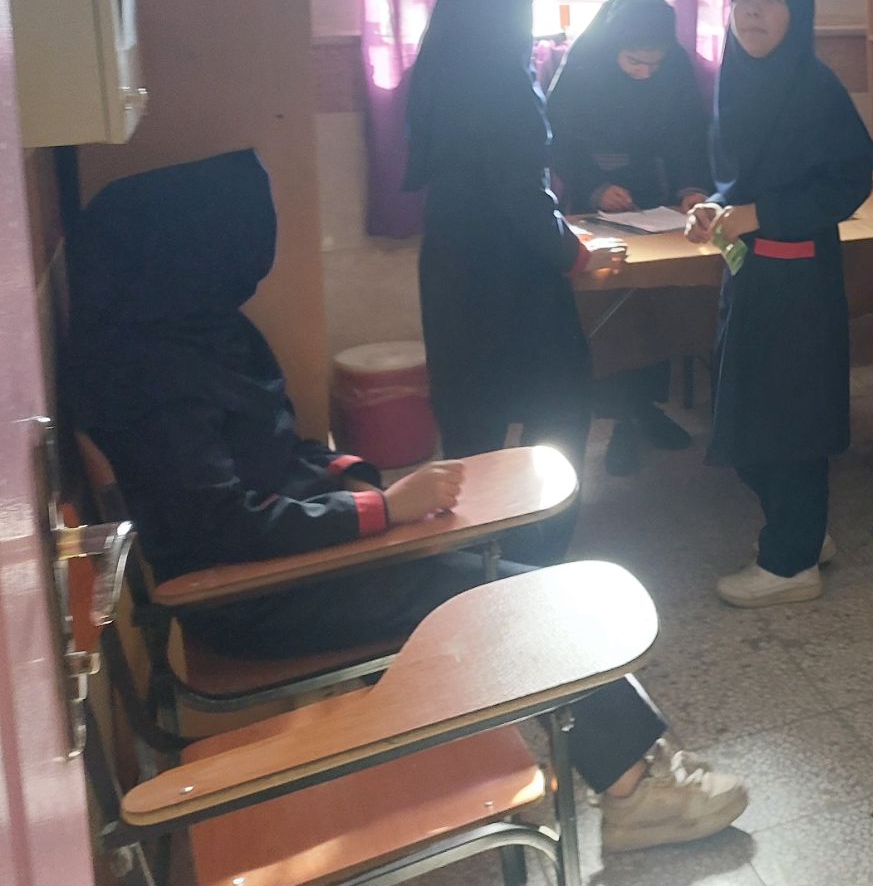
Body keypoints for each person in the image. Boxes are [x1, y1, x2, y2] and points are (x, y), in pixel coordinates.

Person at [67, 149, 748, 854]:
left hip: (297, 555)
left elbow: (273, 449)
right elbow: (220, 527)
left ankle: (635, 762)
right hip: (256, 596)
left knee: (511, 580)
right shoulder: (151, 378)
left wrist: (354, 479)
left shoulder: (193, 331)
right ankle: (637, 793)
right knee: (512, 604)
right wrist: (380, 513)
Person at [406, 0, 622, 564]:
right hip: (511, 276)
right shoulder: (499, 75)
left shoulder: (440, 55)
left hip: (451, 265)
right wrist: (576, 252)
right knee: (561, 411)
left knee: (471, 423)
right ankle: (537, 559)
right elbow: (520, 193)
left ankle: (473, 563)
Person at [686, 0, 873, 607]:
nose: (753, 10)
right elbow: (740, 180)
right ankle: (804, 532)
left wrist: (758, 214)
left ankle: (791, 563)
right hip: (749, 270)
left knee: (788, 417)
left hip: (797, 275)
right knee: (745, 411)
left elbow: (848, 179)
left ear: (797, 14)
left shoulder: (813, 86)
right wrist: (716, 208)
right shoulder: (737, 79)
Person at [547, 0, 712, 469]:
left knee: (657, 299)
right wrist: (595, 187)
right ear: (613, 48)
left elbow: (690, 133)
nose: (645, 72)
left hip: (658, 198)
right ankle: (620, 417)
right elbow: (558, 138)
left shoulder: (674, 67)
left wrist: (691, 190)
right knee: (611, 302)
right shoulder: (584, 64)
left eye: (654, 64)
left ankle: (646, 408)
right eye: (634, 61)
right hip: (595, 199)